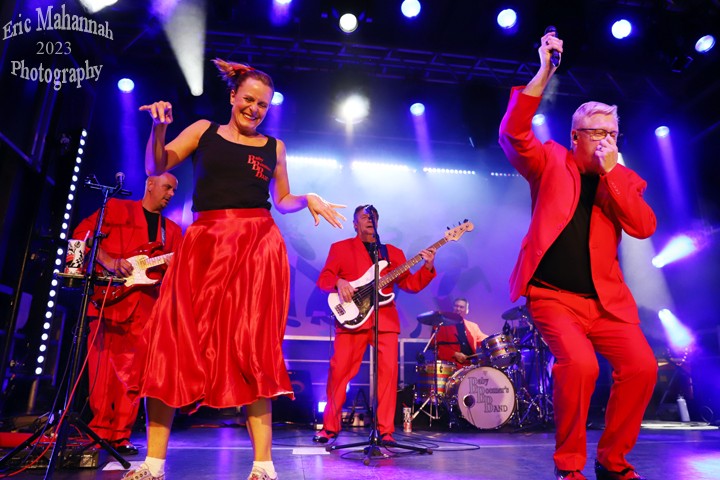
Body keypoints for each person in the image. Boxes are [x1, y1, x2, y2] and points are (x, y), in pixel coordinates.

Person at [122, 59, 345, 480]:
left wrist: (308, 198)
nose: (254, 109)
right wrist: (159, 129)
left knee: (252, 347)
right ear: (232, 96)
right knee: (173, 340)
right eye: (248, 100)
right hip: (204, 244)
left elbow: (282, 200)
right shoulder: (203, 131)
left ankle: (264, 466)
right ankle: (153, 464)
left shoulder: (274, 147)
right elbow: (156, 166)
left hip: (256, 246)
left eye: (262, 105)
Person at [498, 31, 657, 480]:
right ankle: (569, 466)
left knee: (642, 367)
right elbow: (512, 132)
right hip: (553, 298)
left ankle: (612, 461)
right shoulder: (550, 160)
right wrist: (544, 71)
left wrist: (613, 174)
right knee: (580, 365)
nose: (606, 140)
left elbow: (643, 226)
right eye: (597, 133)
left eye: (613, 134)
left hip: (606, 304)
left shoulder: (623, 178)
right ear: (575, 136)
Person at [72, 173, 182, 455]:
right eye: (167, 187)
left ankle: (120, 435)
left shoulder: (172, 230)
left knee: (132, 377)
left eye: (174, 190)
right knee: (101, 371)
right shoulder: (116, 209)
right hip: (108, 301)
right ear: (150, 184)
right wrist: (108, 260)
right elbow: (81, 236)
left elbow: (179, 273)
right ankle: (99, 432)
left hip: (146, 309)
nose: (171, 194)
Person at [313, 205, 437, 445]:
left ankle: (385, 431)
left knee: (388, 377)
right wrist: (339, 282)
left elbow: (410, 285)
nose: (370, 220)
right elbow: (324, 279)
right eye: (364, 217)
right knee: (339, 373)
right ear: (355, 224)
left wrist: (428, 266)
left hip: (385, 319)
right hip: (352, 320)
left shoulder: (393, 252)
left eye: (373, 217)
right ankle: (329, 428)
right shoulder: (340, 248)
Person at [434, 297, 488, 368]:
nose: (458, 309)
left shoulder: (473, 326)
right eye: (456, 306)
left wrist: (497, 339)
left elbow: (484, 340)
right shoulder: (443, 325)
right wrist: (454, 354)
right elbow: (437, 348)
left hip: (471, 366)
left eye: (461, 307)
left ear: (467, 311)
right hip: (452, 366)